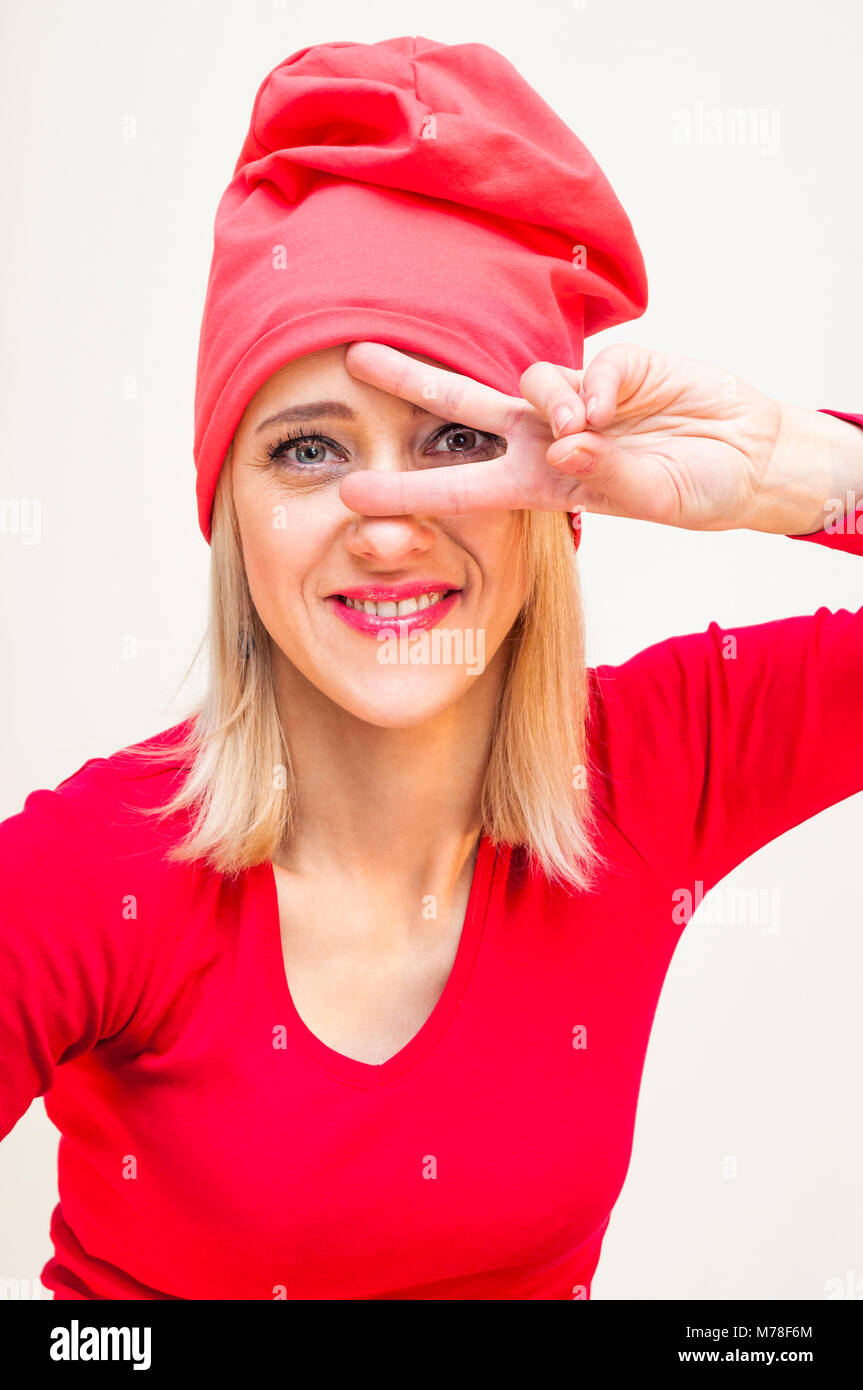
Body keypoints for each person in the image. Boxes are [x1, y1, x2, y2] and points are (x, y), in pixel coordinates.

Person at [1, 36, 861, 1302]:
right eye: (305, 450)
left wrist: (802, 470)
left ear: (558, 493)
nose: (387, 515)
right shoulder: (93, 874)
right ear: (230, 510)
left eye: (459, 438)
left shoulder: (658, 765)